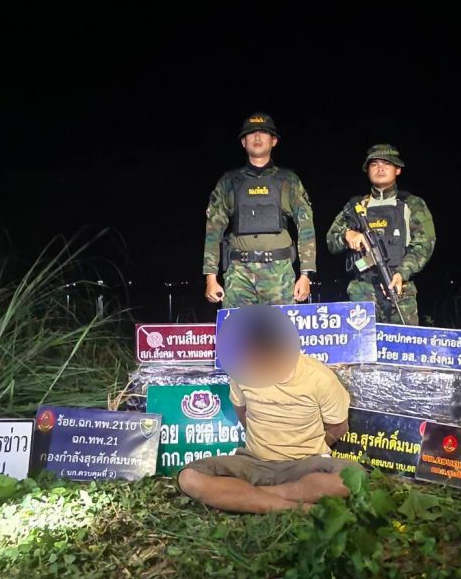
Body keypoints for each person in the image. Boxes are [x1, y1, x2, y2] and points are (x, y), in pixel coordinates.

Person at [178, 306, 358, 513]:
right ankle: (298, 508)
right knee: (190, 478)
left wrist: (307, 448)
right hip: (254, 462)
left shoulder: (319, 378)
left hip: (306, 464)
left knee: (349, 478)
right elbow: (242, 413)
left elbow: (339, 427)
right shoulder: (242, 370)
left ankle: (251, 496)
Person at [202, 113, 316, 308]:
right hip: (239, 276)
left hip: (279, 275)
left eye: (263, 132)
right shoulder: (229, 182)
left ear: (274, 141)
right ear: (243, 142)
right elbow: (213, 231)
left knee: (280, 328)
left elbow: (306, 228)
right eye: (251, 133)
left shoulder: (289, 181)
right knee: (236, 327)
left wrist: (306, 275)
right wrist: (210, 277)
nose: (257, 137)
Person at [326, 144, 435, 324]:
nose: (380, 168)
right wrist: (347, 235)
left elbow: (424, 245)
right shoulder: (355, 206)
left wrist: (402, 273)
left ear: (398, 170)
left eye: (387, 164)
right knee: (362, 342)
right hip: (362, 292)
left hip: (399, 289)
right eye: (374, 164)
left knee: (402, 340)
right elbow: (331, 240)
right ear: (367, 170)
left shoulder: (412, 204)